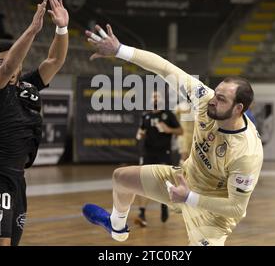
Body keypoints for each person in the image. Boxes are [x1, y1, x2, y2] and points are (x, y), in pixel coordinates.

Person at [82, 25, 263, 246]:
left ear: (238, 109)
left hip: (211, 212)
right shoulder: (205, 100)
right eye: (216, 94)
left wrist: (189, 198)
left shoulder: (247, 153)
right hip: (182, 179)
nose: (213, 100)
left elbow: (237, 208)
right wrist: (120, 49)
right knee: (121, 178)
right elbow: (166, 68)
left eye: (222, 99)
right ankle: (117, 227)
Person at [0, 0, 69, 246]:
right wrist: (32, 30)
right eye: (1, 62)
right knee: (0, 244)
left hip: (18, 180)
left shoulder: (28, 84)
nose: (9, 65)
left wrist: (61, 28)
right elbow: (7, 68)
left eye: (13, 61)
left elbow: (55, 60)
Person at [135, 91, 183, 227]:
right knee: (144, 183)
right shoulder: (145, 115)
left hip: (164, 153)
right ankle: (142, 213)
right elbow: (140, 131)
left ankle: (164, 204)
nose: (155, 99)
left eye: (158, 97)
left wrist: (168, 129)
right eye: (153, 96)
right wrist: (140, 134)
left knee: (163, 183)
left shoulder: (168, 115)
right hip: (147, 153)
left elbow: (180, 131)